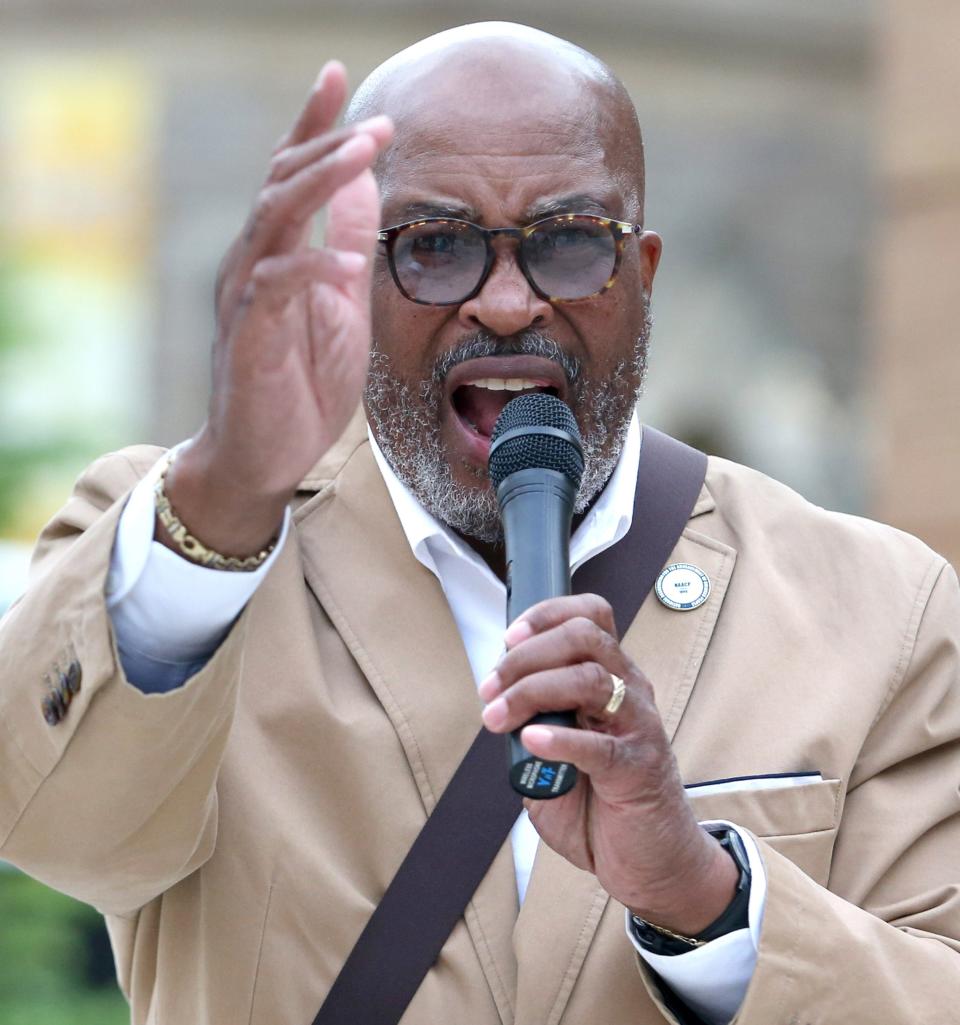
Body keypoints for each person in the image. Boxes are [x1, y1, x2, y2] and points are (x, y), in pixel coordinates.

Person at [1, 21, 958, 1025]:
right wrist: (226, 491)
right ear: (351, 276)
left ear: (643, 275)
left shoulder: (876, 608)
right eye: (438, 246)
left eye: (571, 242)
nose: (507, 304)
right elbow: (53, 830)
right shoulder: (185, 543)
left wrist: (704, 897)